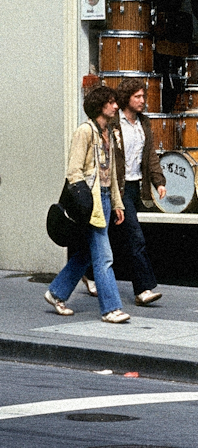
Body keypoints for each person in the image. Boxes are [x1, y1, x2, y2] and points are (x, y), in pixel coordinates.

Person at [43, 86, 131, 323]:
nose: (115, 106)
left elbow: (110, 173)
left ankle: (56, 293)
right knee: (104, 256)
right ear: (100, 105)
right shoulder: (85, 131)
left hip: (103, 198)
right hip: (89, 201)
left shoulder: (108, 133)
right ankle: (111, 308)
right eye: (111, 102)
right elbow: (74, 171)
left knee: (85, 254)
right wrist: (86, 202)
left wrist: (117, 203)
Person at [98, 79, 166, 306]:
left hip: (136, 186)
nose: (142, 101)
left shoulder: (143, 123)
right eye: (137, 97)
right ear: (126, 97)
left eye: (143, 96)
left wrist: (158, 182)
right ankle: (143, 289)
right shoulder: (114, 123)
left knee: (109, 234)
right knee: (135, 237)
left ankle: (87, 271)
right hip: (118, 187)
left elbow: (150, 156)